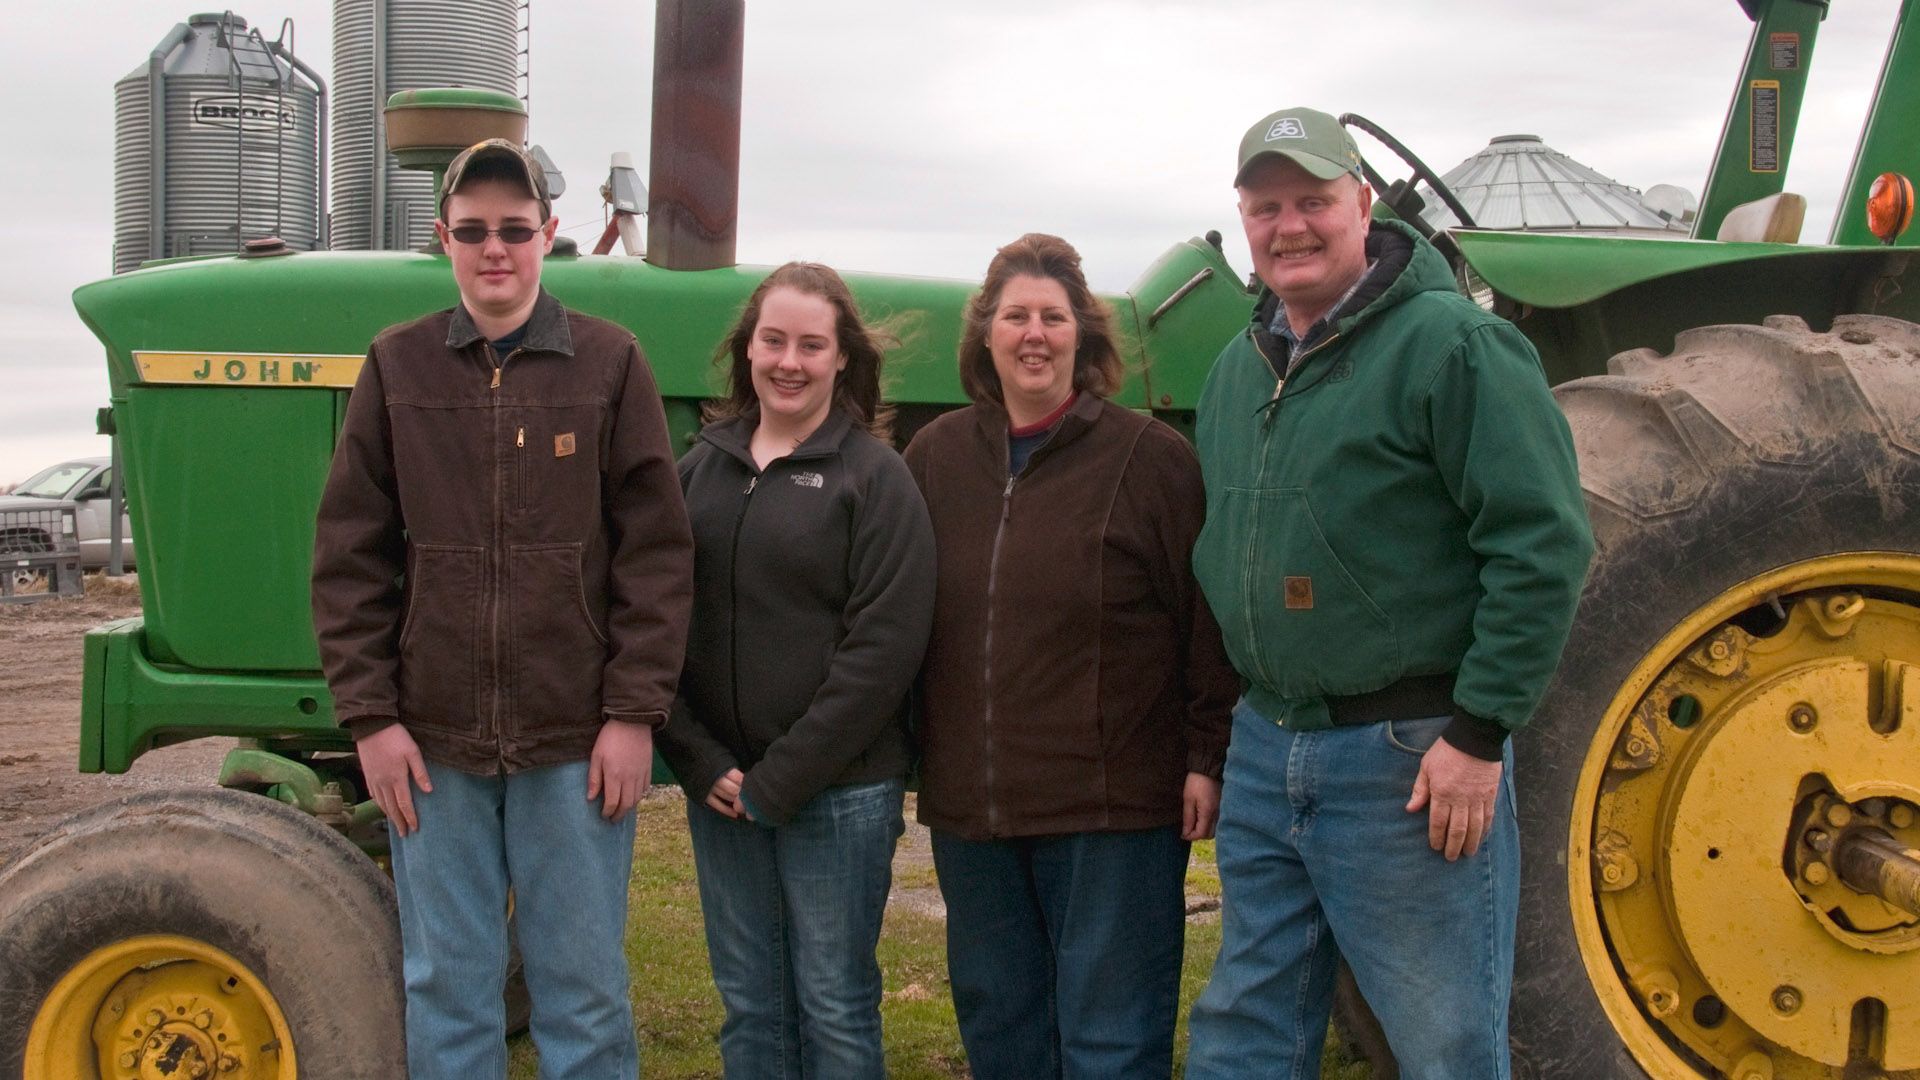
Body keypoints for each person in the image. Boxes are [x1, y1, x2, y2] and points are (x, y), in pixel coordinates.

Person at [1182, 108, 1595, 1079]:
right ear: (1243, 220)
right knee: (1246, 1030)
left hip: (1408, 761)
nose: (1290, 226)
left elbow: (1542, 547)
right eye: (1266, 207)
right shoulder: (1236, 373)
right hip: (1268, 744)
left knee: (1443, 1044)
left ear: (1363, 205)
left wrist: (1478, 735)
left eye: (1313, 201)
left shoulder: (1456, 346)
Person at [312, 138, 693, 1080]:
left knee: (584, 991)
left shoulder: (609, 364)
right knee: (447, 986)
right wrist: (372, 720)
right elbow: (350, 556)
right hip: (431, 747)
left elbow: (655, 555)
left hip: (576, 745)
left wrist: (633, 715)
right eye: (474, 229)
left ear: (547, 234)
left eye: (515, 230)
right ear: (443, 238)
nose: (495, 248)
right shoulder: (396, 367)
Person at [902, 233, 1237, 1080]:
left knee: (1109, 1040)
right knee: (1000, 1030)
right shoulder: (935, 457)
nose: (1034, 334)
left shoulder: (1151, 459)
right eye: (1015, 316)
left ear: (1083, 335)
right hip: (974, 809)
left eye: (1053, 317)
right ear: (985, 333)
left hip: (1111, 811)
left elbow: (1205, 621)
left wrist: (1206, 756)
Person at [656, 262, 936, 1079]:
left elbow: (884, 648)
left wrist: (781, 781)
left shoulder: (874, 478)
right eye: (773, 341)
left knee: (834, 1004)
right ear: (747, 349)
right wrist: (700, 761)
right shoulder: (696, 473)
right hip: (722, 793)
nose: (790, 361)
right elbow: (652, 624)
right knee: (750, 1006)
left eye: (812, 345)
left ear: (842, 357)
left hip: (839, 794)